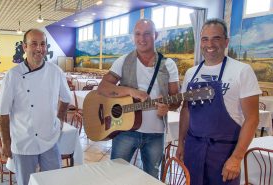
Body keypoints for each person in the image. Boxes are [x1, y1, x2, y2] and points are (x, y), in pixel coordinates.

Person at [176, 18, 261, 185]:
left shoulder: (242, 71)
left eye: (216, 38)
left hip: (224, 152)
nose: (210, 44)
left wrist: (236, 157)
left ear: (226, 41)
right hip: (194, 148)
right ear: (200, 42)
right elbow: (185, 110)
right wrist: (181, 143)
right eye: (205, 39)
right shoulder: (191, 73)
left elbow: (252, 119)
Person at [97, 19, 180, 179]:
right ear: (133, 37)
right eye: (138, 34)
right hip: (125, 130)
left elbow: (176, 100)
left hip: (155, 134)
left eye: (147, 34)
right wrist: (131, 92)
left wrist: (168, 106)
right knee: (116, 176)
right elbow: (103, 88)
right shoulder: (123, 61)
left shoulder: (168, 64)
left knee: (152, 177)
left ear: (155, 35)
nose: (142, 38)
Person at [0, 29, 72, 185]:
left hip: (49, 140)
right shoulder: (13, 75)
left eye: (43, 44)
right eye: (34, 44)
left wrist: (59, 121)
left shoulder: (55, 71)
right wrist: (6, 142)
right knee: (25, 182)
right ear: (25, 47)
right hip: (23, 141)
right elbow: (3, 113)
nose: (39, 48)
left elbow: (66, 98)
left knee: (53, 181)